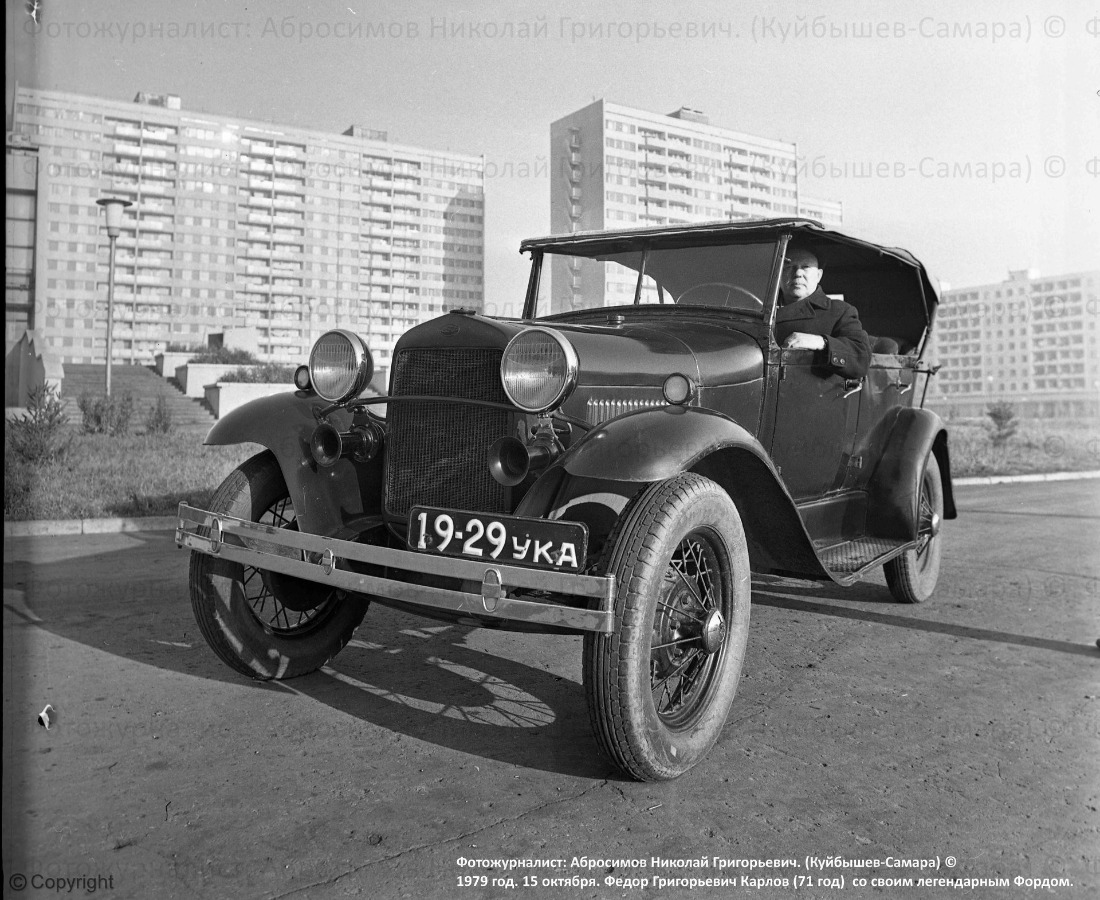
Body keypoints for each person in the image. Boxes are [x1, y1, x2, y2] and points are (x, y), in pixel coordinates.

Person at [775, 246, 871, 378]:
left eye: (806, 267)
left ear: (819, 275)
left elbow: (861, 358)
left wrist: (822, 342)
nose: (797, 273)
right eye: (788, 267)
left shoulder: (840, 311)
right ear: (778, 273)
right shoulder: (759, 309)